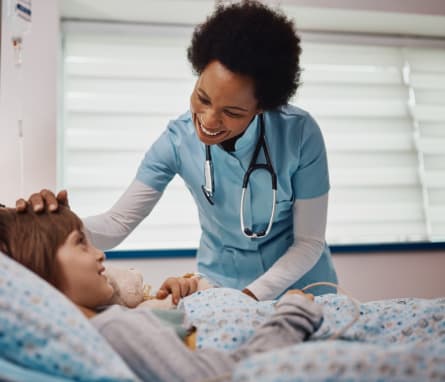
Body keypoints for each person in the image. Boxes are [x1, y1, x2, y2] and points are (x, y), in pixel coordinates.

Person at [17, 0, 337, 301]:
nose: (209, 120)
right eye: (203, 97)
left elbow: (308, 241)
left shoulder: (299, 133)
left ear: (262, 106)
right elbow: (116, 225)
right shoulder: (176, 142)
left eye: (233, 112)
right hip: (221, 287)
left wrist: (250, 299)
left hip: (303, 291)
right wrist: (51, 223)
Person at [0, 204, 323, 382]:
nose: (100, 255)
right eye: (79, 242)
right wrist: (293, 316)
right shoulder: (115, 328)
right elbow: (223, 376)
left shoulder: (101, 325)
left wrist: (163, 301)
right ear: (36, 271)